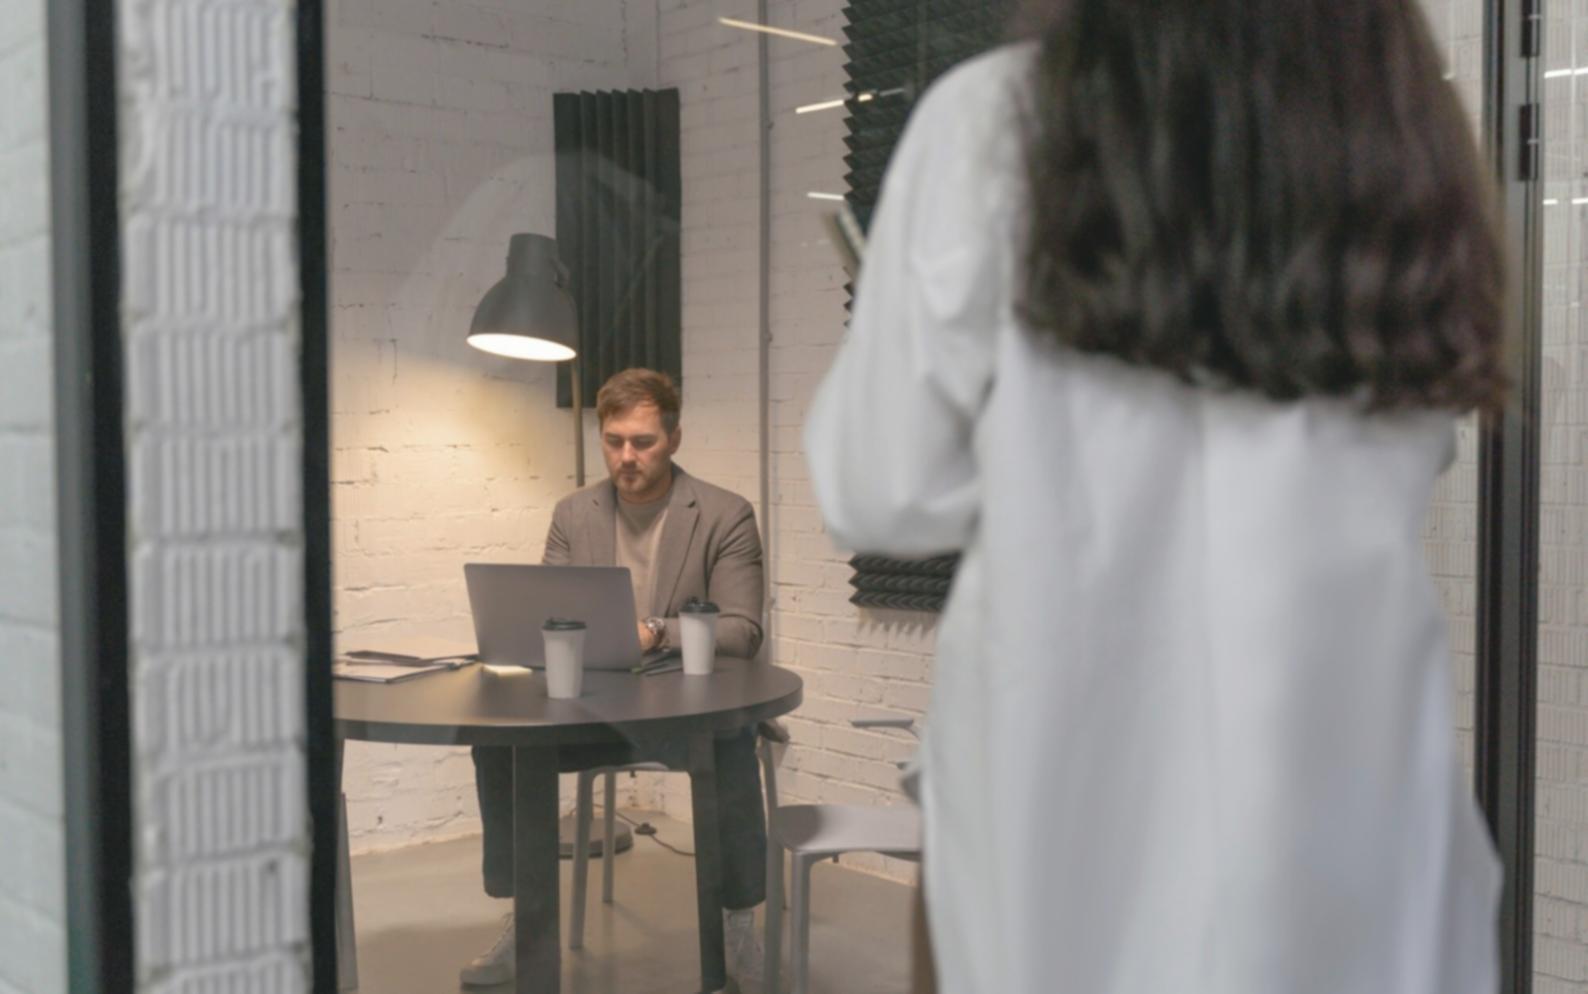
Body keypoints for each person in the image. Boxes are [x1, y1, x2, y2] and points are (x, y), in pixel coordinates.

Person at [804, 2, 1507, 992]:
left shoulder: (1002, 123)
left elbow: (880, 491)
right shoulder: (1388, 141)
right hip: (1357, 806)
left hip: (1077, 817)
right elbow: (1413, 442)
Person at [464, 368, 769, 988]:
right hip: (595, 712)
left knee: (733, 741)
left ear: (675, 438)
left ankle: (736, 920)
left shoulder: (724, 515)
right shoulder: (573, 513)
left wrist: (656, 630)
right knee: (499, 742)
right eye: (613, 441)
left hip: (685, 712)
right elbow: (543, 618)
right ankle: (527, 917)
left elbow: (742, 631)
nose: (625, 457)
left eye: (643, 441)